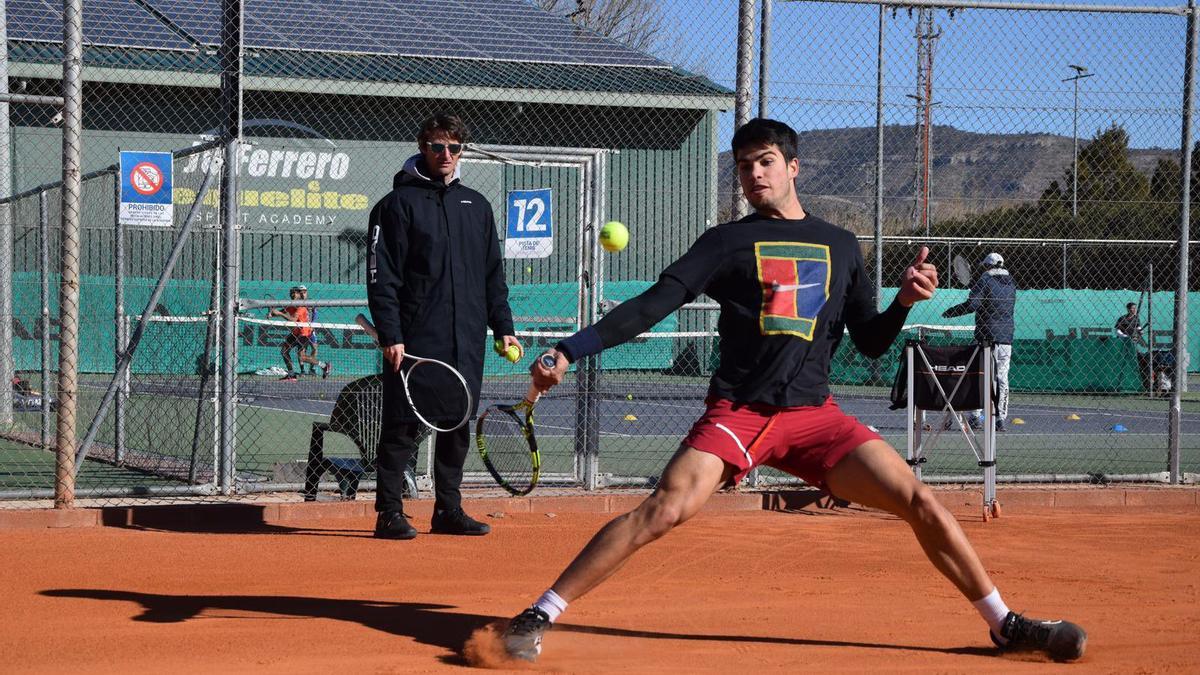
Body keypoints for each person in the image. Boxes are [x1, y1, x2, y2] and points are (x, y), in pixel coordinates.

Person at [500, 119, 1085, 663]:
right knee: (665, 509)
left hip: (816, 418)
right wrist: (570, 349)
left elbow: (873, 341)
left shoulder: (841, 245)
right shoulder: (725, 242)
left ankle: (1003, 623)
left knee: (920, 500)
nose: (754, 175)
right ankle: (537, 614)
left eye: (766, 162)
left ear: (793, 167)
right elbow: (656, 304)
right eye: (745, 166)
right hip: (740, 411)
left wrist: (902, 302)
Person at [366, 113, 521, 540]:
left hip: (466, 336)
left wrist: (502, 327)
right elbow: (383, 276)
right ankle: (389, 513)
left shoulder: (477, 205)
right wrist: (392, 333)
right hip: (416, 338)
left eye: (454, 148)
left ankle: (448, 510)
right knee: (402, 425)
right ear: (422, 147)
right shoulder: (395, 205)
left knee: (457, 422)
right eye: (438, 146)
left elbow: (493, 275)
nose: (446, 155)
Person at [942, 252, 1015, 432]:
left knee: (980, 376)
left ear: (987, 266)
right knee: (1002, 379)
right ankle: (1000, 419)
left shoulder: (984, 280)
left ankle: (975, 417)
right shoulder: (1011, 283)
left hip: (986, 337)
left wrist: (952, 311)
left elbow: (973, 304)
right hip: (1006, 338)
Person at [268, 285, 331, 381]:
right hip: (295, 332)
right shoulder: (290, 304)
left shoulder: (301, 306)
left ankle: (324, 366)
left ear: (299, 294)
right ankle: (291, 374)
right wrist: (271, 314)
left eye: (295, 293)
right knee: (284, 351)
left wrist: (279, 314)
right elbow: (282, 311)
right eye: (291, 293)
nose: (293, 295)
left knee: (302, 357)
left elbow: (293, 319)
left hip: (304, 333)